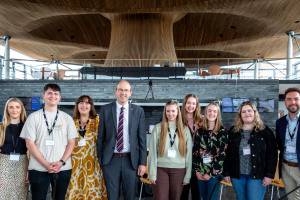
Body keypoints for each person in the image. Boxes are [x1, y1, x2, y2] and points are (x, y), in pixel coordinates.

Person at [20, 83, 78, 200]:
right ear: (44, 96)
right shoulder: (33, 117)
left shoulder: (67, 118)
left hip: (62, 168)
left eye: (56, 94)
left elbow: (72, 143)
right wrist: (45, 164)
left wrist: (61, 162)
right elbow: (29, 144)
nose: (53, 96)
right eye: (49, 93)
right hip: (38, 168)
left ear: (59, 97)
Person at [96, 80, 147, 200]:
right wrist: (102, 160)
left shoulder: (138, 111)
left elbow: (142, 140)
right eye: (120, 90)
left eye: (126, 90)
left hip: (131, 161)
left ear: (130, 93)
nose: (123, 93)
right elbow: (101, 137)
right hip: (110, 161)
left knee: (130, 196)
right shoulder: (105, 109)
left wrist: (142, 163)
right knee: (112, 197)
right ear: (115, 91)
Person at [223, 101, 277, 200]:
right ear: (240, 115)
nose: (247, 113)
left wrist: (269, 175)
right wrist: (226, 172)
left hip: (257, 175)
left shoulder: (265, 131)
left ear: (255, 112)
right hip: (237, 175)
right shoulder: (233, 131)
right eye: (243, 112)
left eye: (249, 110)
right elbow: (226, 153)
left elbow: (272, 154)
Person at [65, 95, 107, 200]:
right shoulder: (70, 122)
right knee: (75, 191)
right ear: (77, 106)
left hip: (93, 164)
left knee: (93, 191)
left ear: (91, 106)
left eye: (87, 103)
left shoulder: (98, 121)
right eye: (81, 103)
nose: (84, 105)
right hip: (74, 165)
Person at [149, 100, 192, 200]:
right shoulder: (158, 128)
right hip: (160, 169)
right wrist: (152, 173)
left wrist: (188, 175)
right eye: (168, 111)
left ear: (178, 112)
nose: (170, 114)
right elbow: (152, 152)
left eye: (173, 111)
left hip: (179, 170)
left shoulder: (185, 130)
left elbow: (189, 154)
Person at [193, 103, 228, 200]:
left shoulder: (223, 132)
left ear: (218, 114)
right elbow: (195, 152)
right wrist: (197, 171)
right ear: (205, 112)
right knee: (204, 198)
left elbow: (222, 155)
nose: (211, 113)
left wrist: (210, 173)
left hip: (214, 173)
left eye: (214, 111)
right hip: (200, 172)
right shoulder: (199, 132)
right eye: (209, 110)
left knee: (212, 198)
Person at [0, 98, 29, 199]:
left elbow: (33, 149)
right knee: (3, 195)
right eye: (11, 107)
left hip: (23, 164)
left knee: (20, 196)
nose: (14, 110)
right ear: (7, 109)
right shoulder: (1, 127)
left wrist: (29, 170)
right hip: (4, 165)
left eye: (17, 107)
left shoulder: (28, 127)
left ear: (21, 109)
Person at [276, 87, 300, 200]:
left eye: (296, 99)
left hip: (299, 166)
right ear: (285, 103)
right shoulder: (280, 122)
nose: (293, 102)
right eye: (289, 99)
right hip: (285, 167)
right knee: (292, 198)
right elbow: (278, 144)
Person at [181, 94, 202, 200]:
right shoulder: (178, 120)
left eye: (194, 103)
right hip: (183, 160)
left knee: (196, 192)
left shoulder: (202, 120)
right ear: (184, 104)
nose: (191, 105)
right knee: (183, 192)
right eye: (188, 102)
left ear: (197, 105)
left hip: (198, 161)